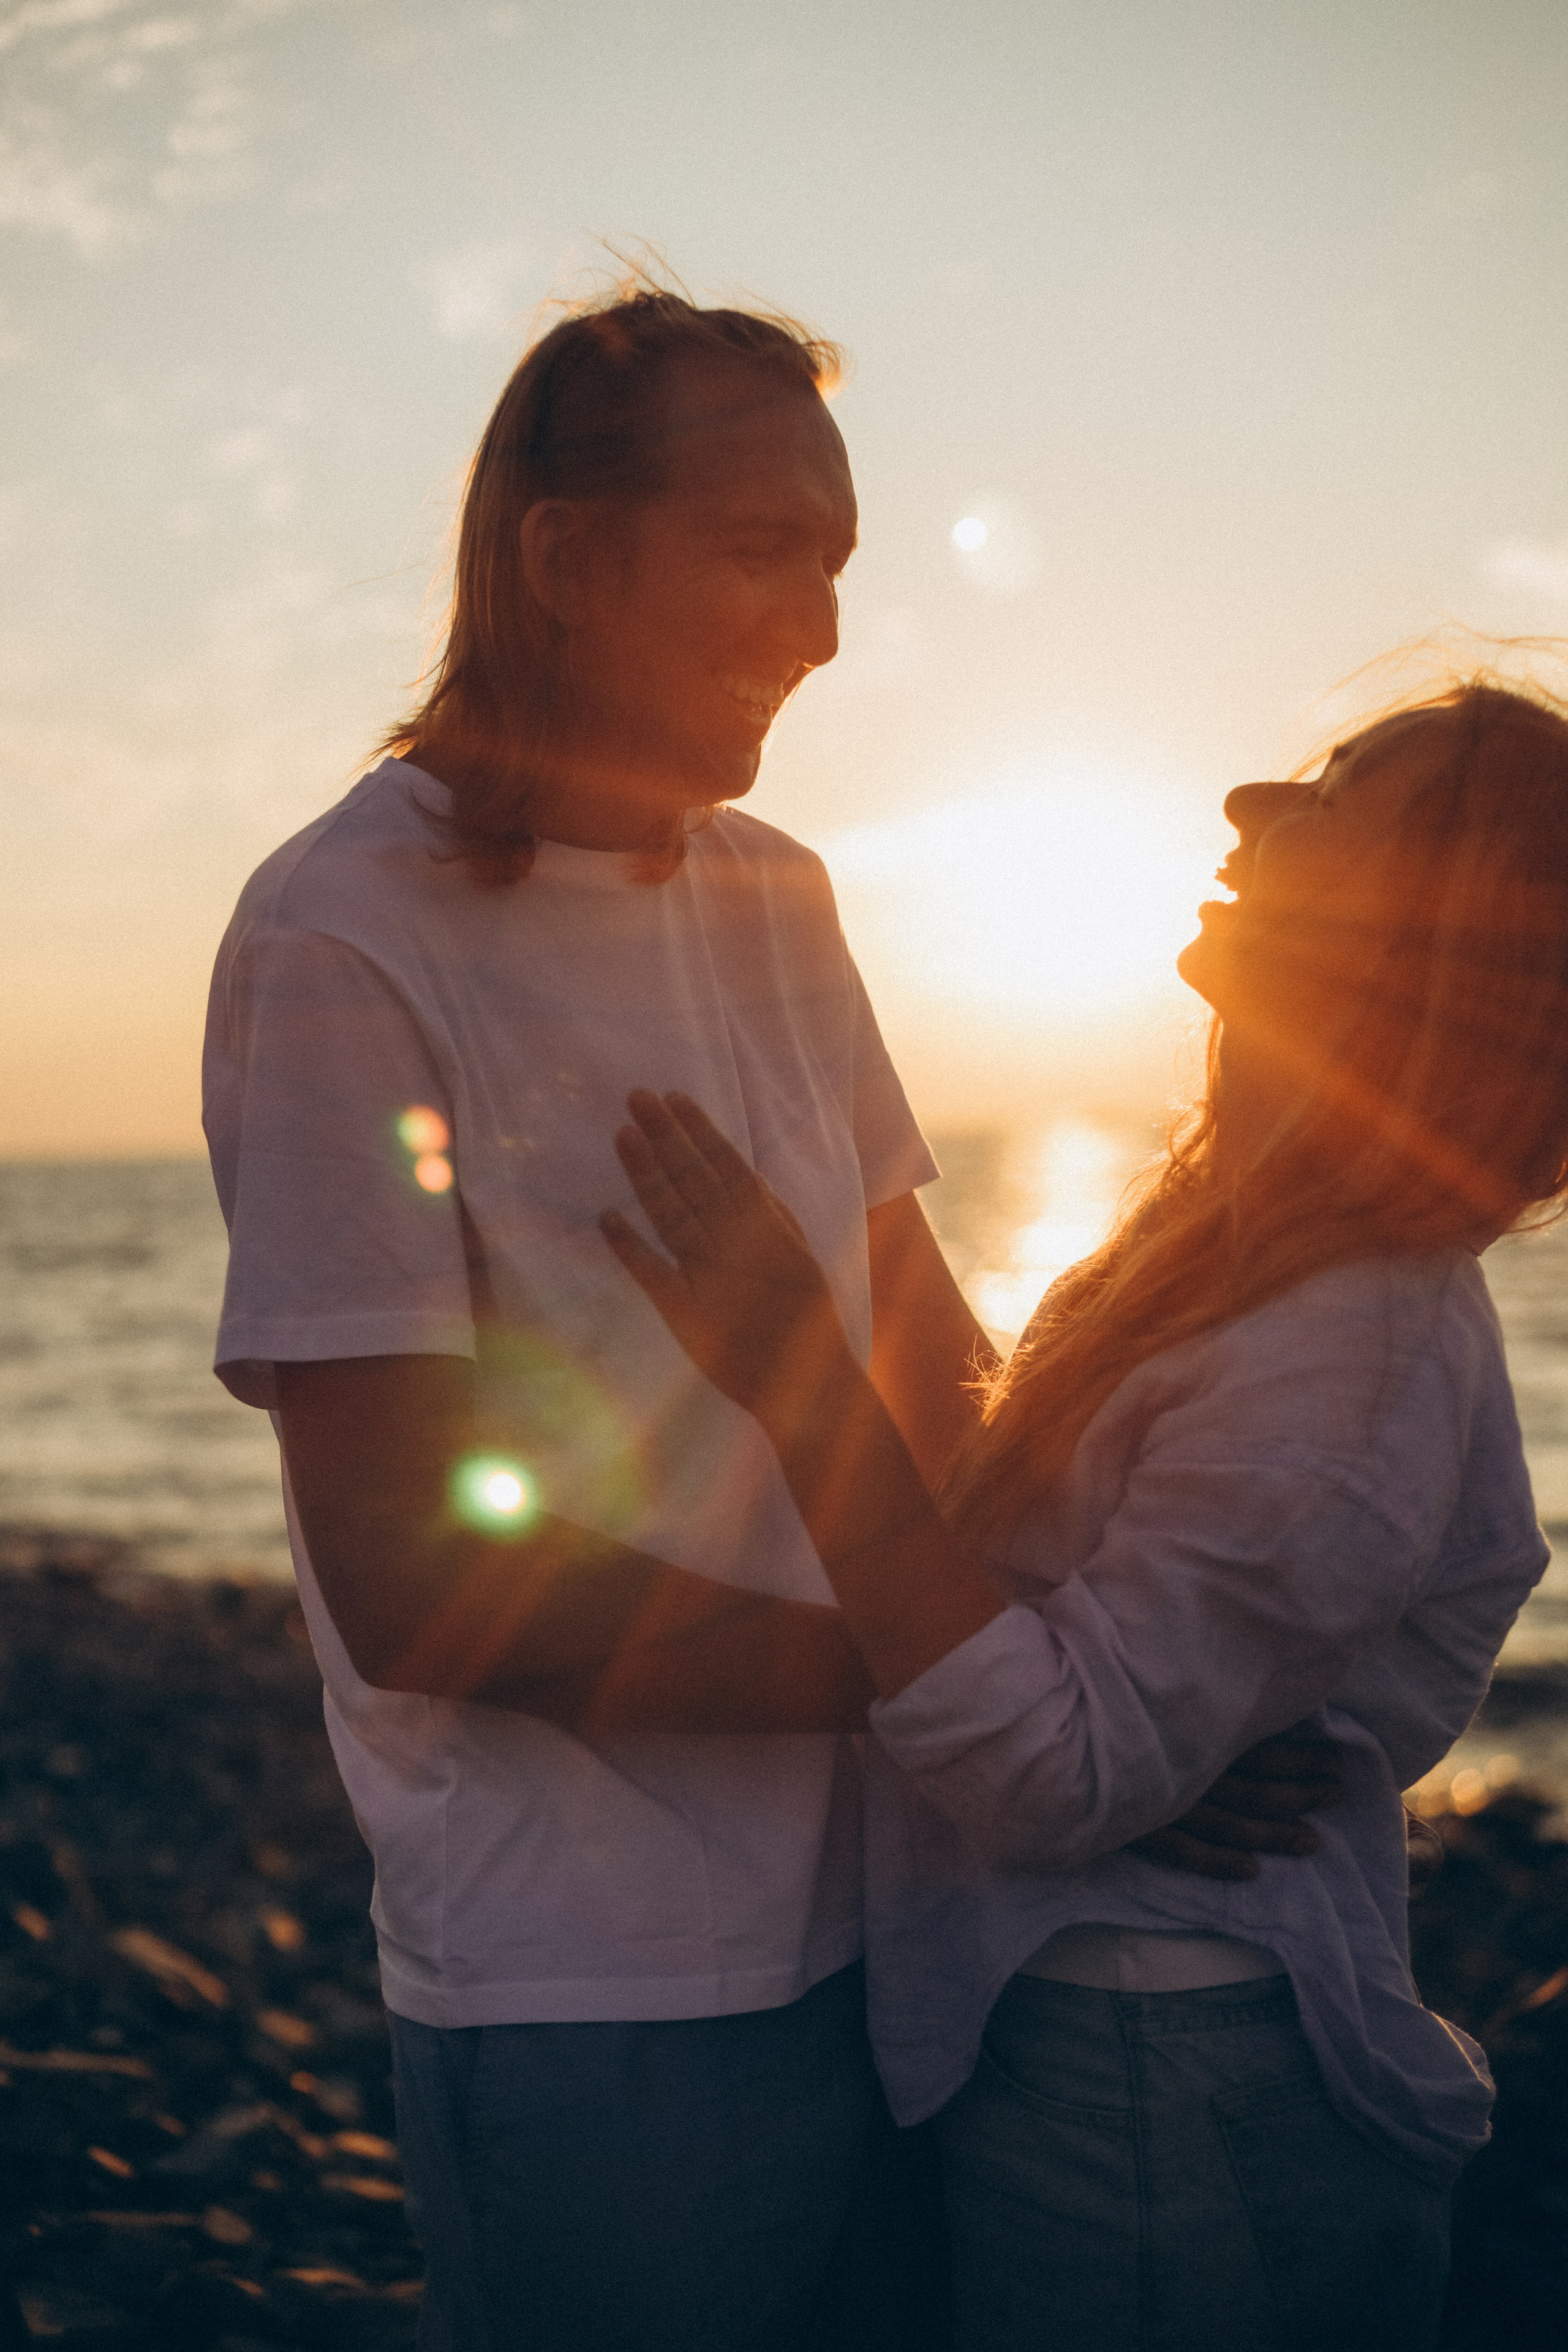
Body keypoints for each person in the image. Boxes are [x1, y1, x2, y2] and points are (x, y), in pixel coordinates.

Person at [203, 281, 1335, 2352]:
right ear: (559, 560)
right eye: (762, 554)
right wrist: (959, 1707)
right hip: (595, 1994)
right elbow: (412, 1581)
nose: (818, 629)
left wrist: (1126, 1693)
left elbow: (933, 1370)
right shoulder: (340, 937)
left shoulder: (781, 900)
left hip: (926, 1927)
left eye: (837, 567)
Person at [601, 677, 1567, 2351]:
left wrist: (797, 1374)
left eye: (1339, 802)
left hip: (1160, 2100)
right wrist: (1137, 1756)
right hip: (1105, 2056)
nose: (1257, 801)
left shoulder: (1353, 1343)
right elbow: (1072, 1669)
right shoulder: (1248, 1263)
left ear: (1433, 941)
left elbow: (1050, 1770)